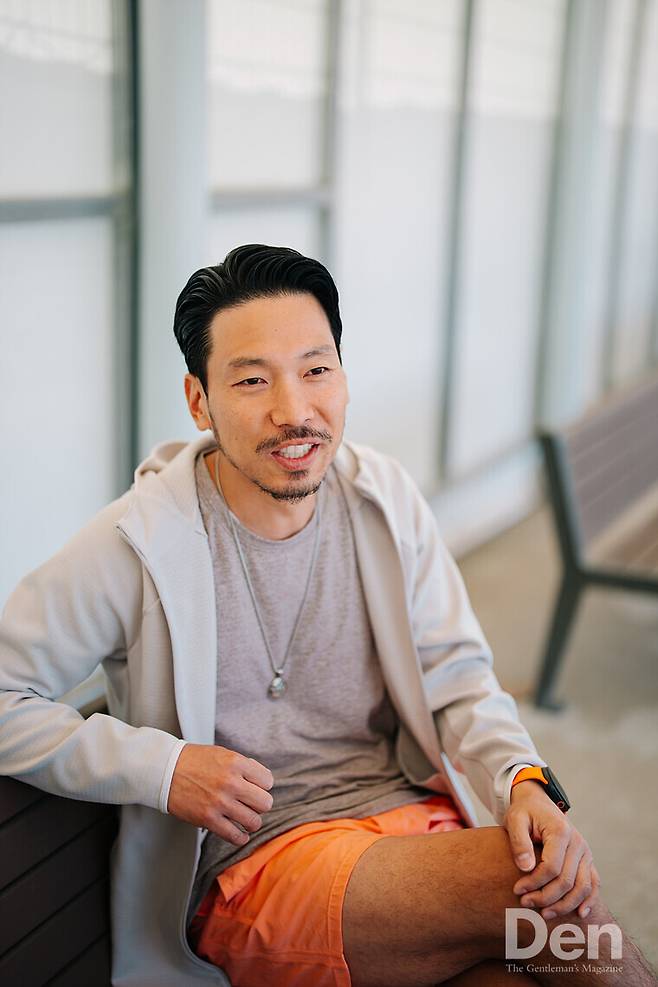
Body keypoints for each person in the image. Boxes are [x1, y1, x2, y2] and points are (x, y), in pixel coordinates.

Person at [0, 245, 654, 987]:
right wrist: (163, 766)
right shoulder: (136, 542)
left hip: (408, 825)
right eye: (253, 380)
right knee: (539, 889)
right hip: (260, 868)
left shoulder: (382, 496)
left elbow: (460, 676)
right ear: (198, 400)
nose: (294, 411)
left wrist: (523, 777)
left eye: (316, 370)